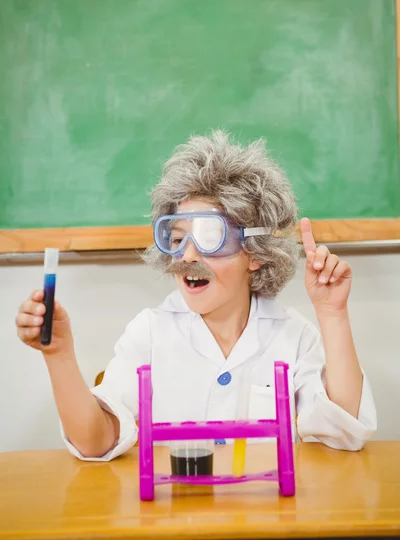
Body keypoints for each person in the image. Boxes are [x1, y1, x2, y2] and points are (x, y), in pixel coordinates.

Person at [16, 131, 377, 461]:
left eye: (208, 237)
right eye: (176, 238)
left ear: (254, 252)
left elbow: (345, 432)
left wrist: (332, 315)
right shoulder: (149, 333)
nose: (187, 255)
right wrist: (59, 355)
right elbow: (95, 442)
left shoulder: (293, 336)